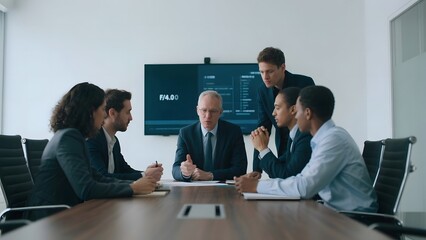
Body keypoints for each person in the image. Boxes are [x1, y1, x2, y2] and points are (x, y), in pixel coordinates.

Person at [26, 82, 157, 221]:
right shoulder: (68, 138)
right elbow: (86, 189)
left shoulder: (74, 137)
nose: (104, 115)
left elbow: (98, 178)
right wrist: (133, 188)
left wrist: (135, 185)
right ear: (90, 112)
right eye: (102, 109)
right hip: (47, 222)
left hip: (63, 216)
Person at [235, 86, 378, 212]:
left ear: (308, 113)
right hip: (335, 212)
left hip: (355, 219)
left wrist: (257, 186)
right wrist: (258, 184)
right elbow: (300, 179)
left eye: (298, 111)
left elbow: (304, 187)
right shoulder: (324, 139)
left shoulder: (333, 141)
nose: (296, 116)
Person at [253, 47, 315, 178]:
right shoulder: (262, 91)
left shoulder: (304, 84)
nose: (265, 77)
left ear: (282, 67)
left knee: (289, 177)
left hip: (305, 144)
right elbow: (262, 128)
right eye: (261, 72)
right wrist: (257, 169)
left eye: (269, 71)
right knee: (282, 177)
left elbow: (312, 119)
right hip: (283, 147)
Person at [86, 89, 163, 181]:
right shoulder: (92, 140)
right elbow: (102, 176)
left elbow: (125, 170)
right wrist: (144, 175)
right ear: (112, 113)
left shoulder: (114, 141)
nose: (131, 118)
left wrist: (148, 173)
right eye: (127, 112)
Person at [172, 90, 247, 181]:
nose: (208, 116)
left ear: (220, 112)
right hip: (194, 190)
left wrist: (211, 175)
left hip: (223, 191)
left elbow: (240, 169)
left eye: (213, 111)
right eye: (204, 110)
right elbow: (175, 169)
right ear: (197, 111)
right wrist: (185, 172)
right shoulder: (185, 133)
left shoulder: (233, 132)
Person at [247, 87, 312, 179]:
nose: (273, 113)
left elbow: (287, 176)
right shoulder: (294, 135)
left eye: (277, 108)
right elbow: (280, 168)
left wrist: (263, 149)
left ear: (293, 110)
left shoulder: (305, 137)